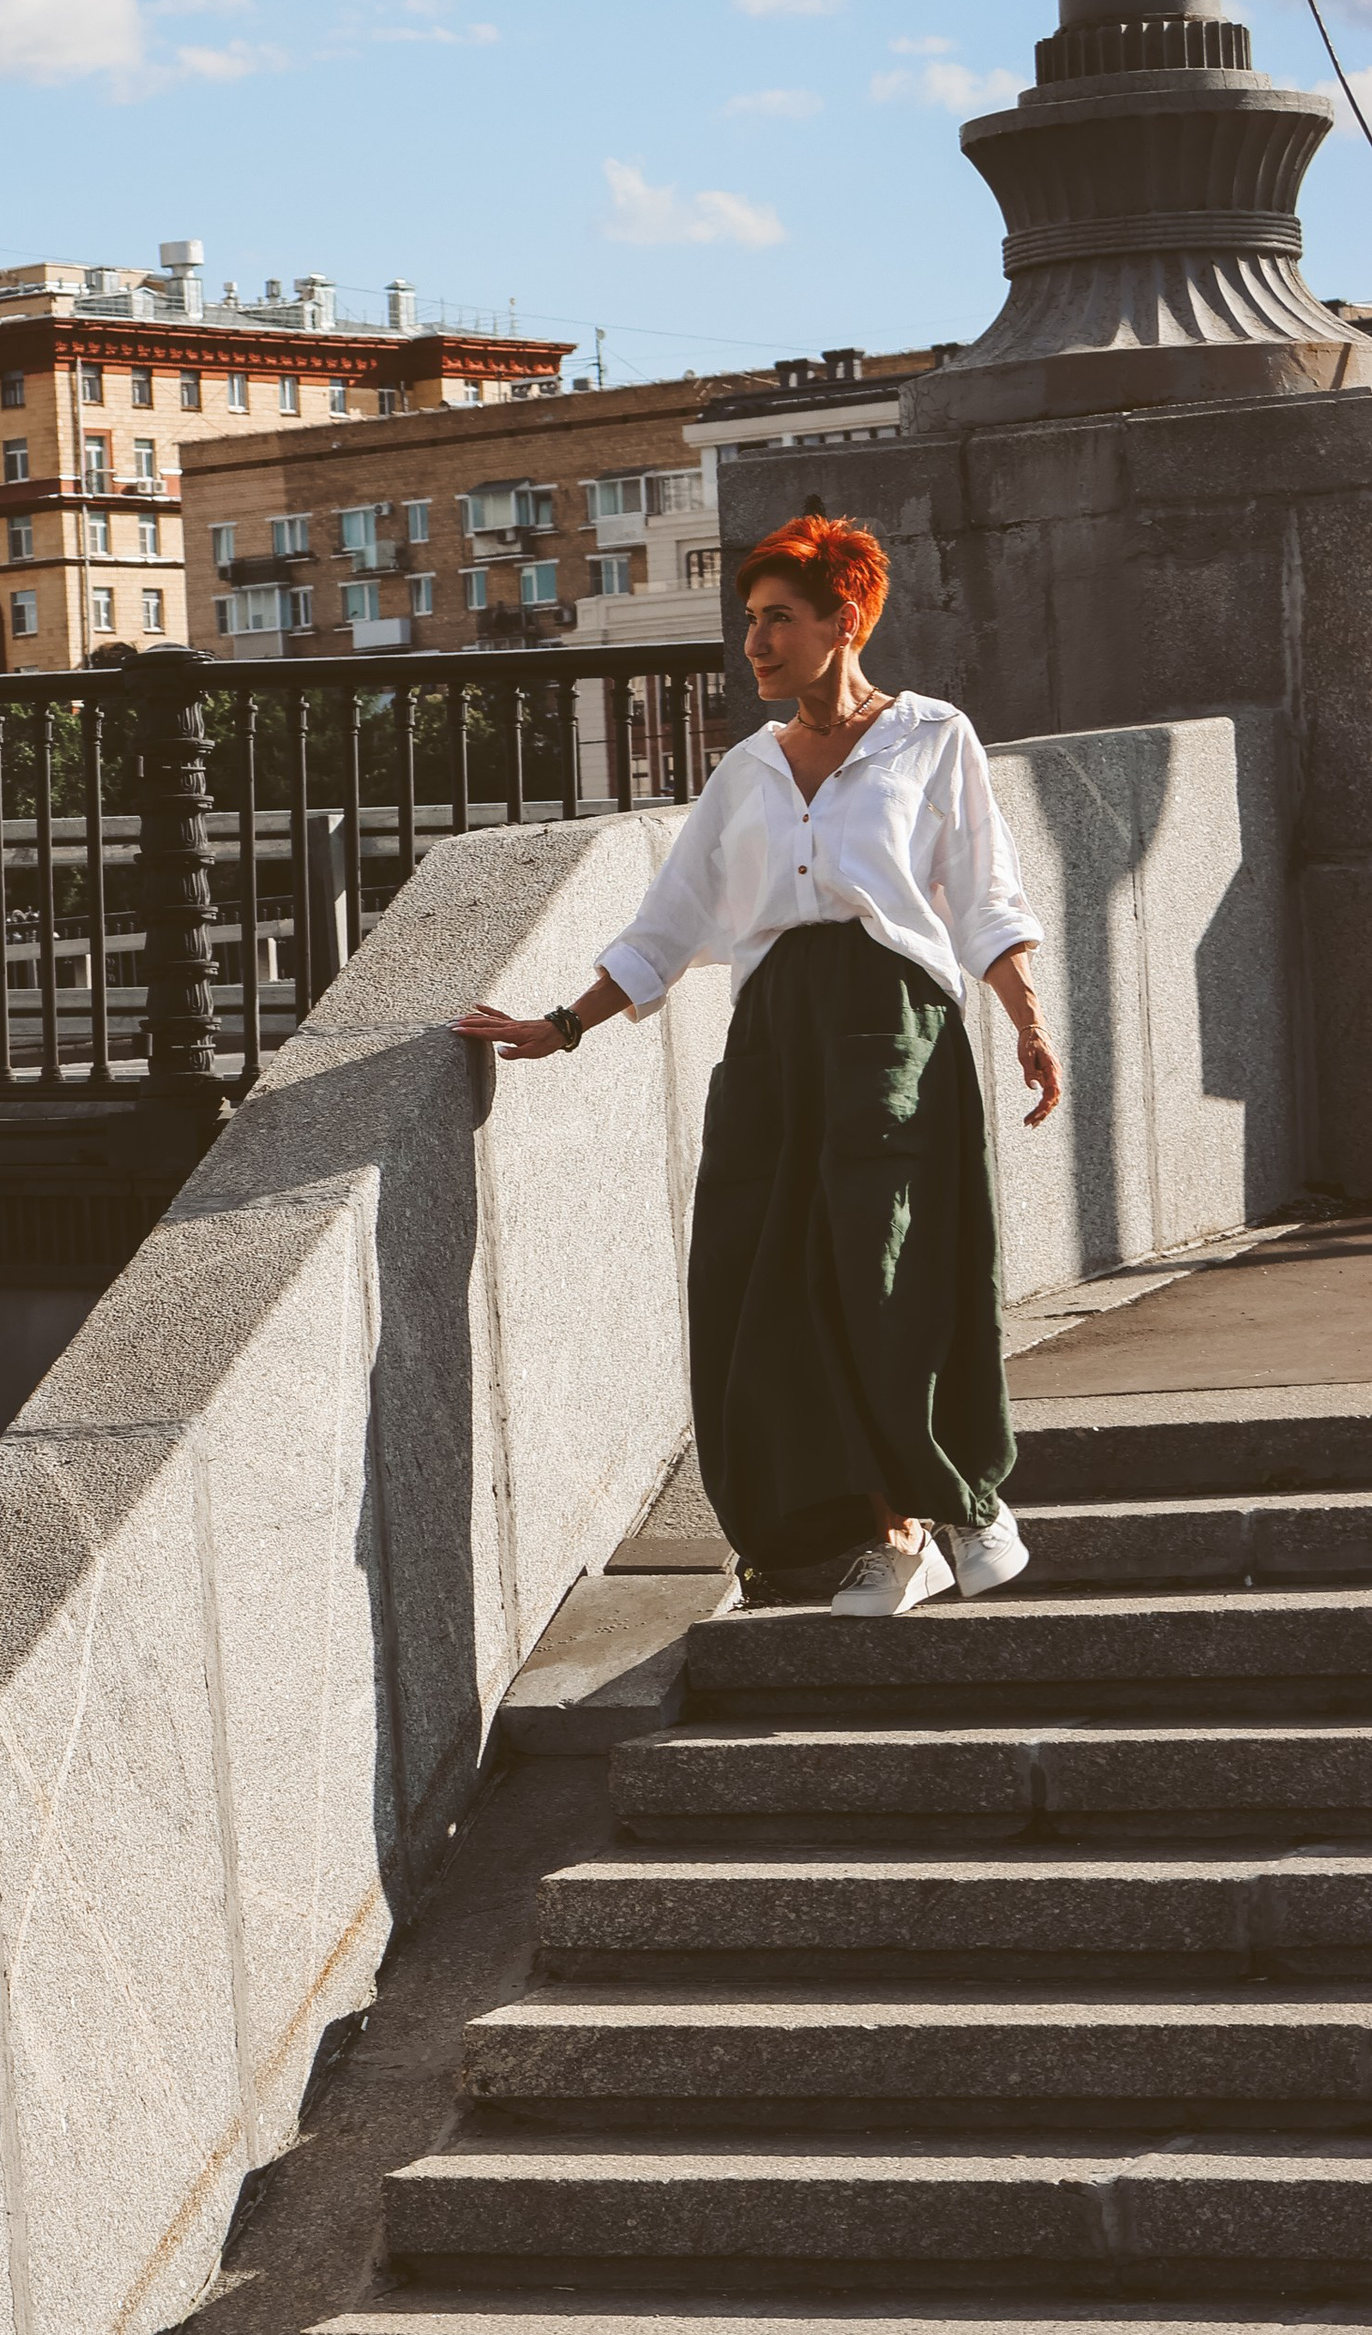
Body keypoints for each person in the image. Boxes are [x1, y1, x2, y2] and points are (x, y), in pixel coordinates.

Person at [455, 515, 1064, 1619]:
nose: (757, 642)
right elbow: (667, 925)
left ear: (845, 621)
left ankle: (961, 1501)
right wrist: (564, 1021)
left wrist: (1025, 1019)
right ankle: (885, 1532)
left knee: (885, 1271)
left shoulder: (931, 737)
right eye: (749, 622)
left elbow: (983, 897)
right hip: (774, 1039)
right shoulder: (746, 771)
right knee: (771, 1284)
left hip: (890, 1029)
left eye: (780, 618)